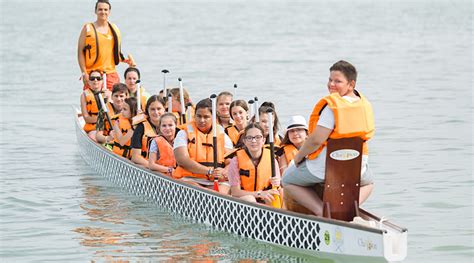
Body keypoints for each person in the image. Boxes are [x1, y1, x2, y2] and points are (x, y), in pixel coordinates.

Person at [282, 60, 375, 216]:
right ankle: (350, 208)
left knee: (288, 181)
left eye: (337, 81)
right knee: (369, 182)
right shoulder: (364, 105)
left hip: (327, 167)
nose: (331, 84)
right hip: (355, 165)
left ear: (351, 84)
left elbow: (316, 140)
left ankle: (323, 212)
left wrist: (298, 157)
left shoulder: (332, 106)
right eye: (330, 79)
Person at [173, 98, 234, 194]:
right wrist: (209, 171)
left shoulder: (222, 135)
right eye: (199, 116)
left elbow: (230, 161)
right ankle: (208, 193)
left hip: (216, 180)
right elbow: (182, 160)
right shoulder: (183, 133)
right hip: (190, 179)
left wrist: (225, 171)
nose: (202, 120)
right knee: (196, 189)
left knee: (222, 192)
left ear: (213, 117)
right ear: (194, 116)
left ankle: (212, 195)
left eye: (206, 117)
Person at [77, 0, 134, 90]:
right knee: (92, 101)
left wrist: (126, 61)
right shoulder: (87, 28)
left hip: (110, 73)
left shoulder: (114, 28)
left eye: (105, 10)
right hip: (93, 75)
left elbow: (115, 53)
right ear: (95, 11)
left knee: (115, 101)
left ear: (109, 12)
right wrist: (84, 73)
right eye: (100, 9)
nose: (103, 12)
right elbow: (80, 53)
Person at [227, 123, 282, 205]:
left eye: (258, 137)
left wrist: (277, 182)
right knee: (250, 199)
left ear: (263, 140)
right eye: (249, 138)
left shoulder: (272, 159)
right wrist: (259, 194)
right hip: (245, 200)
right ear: (244, 141)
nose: (253, 141)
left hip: (265, 197)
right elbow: (235, 192)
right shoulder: (235, 161)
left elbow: (276, 186)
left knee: (281, 192)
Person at [130, 96, 165, 167]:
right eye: (152, 109)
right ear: (147, 110)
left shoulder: (170, 127)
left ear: (164, 109)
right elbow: (135, 157)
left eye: (159, 109)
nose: (156, 112)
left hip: (166, 168)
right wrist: (155, 167)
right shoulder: (141, 127)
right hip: (147, 168)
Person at [80, 70, 106, 141]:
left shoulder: (109, 94)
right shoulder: (84, 95)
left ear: (102, 81)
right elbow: (86, 118)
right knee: (93, 136)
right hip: (93, 129)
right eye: (92, 78)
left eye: (98, 78)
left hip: (107, 127)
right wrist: (103, 119)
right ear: (89, 81)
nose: (95, 80)